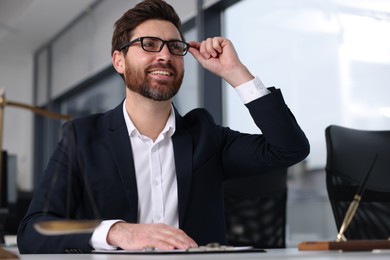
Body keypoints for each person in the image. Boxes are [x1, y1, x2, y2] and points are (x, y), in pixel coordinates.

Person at [17, 0, 309, 254]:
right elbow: (35, 230)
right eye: (149, 44)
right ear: (119, 61)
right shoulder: (82, 138)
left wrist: (236, 73)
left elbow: (289, 148)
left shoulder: (205, 135)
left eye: (174, 47)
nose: (165, 55)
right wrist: (118, 232)